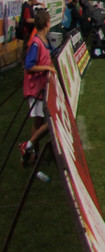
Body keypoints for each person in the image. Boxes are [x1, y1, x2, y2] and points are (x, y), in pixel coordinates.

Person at [19, 10, 54, 170]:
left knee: (39, 120)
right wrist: (47, 67)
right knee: (48, 121)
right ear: (47, 23)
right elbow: (29, 65)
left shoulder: (43, 40)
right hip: (35, 87)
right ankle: (29, 146)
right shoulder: (36, 42)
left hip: (41, 86)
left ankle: (33, 153)